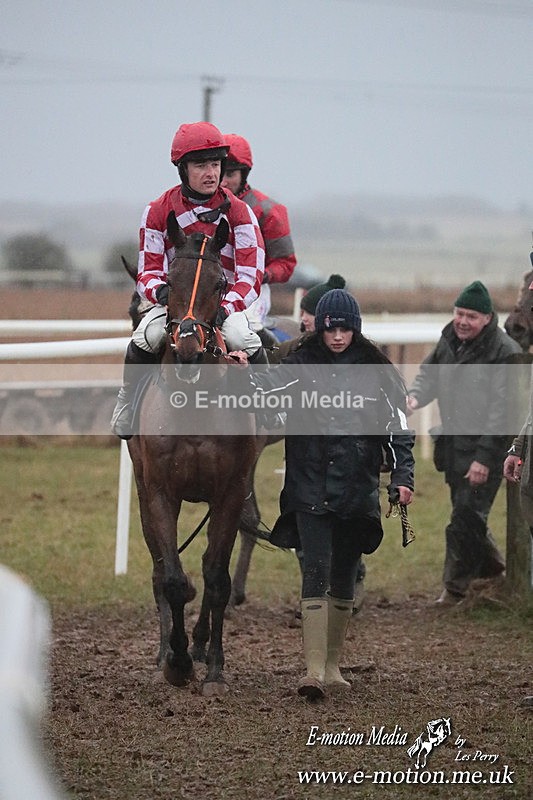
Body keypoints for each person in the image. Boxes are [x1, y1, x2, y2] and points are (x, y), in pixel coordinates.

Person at [232, 288, 415, 699]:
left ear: (355, 329)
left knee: (345, 576)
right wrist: (244, 371)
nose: (336, 337)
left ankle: (333, 666)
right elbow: (264, 390)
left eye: (345, 329)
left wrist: (403, 476)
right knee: (314, 569)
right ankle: (312, 670)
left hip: (357, 487)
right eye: (331, 329)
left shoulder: (378, 370)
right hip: (309, 486)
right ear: (320, 328)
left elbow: (399, 428)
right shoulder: (298, 363)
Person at [111, 121, 266, 439]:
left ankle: (269, 404)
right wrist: (167, 296)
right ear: (183, 169)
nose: (211, 173)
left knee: (244, 339)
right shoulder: (156, 210)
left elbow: (251, 276)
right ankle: (127, 405)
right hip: (176, 305)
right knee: (147, 336)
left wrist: (224, 309)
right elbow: (148, 272)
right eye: (200, 165)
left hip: (222, 302)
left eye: (215, 164)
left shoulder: (240, 213)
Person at [407, 280, 522, 606]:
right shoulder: (449, 340)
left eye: (471, 316)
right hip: (453, 447)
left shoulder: (503, 352)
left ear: (487, 318)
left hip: (485, 450)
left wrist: (484, 459)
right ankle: (495, 568)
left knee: (464, 516)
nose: (462, 321)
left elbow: (502, 412)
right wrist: (415, 396)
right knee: (469, 514)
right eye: (459, 313)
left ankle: (454, 589)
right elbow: (429, 375)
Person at [221, 133, 296, 332]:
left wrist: (261, 274)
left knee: (244, 333)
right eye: (220, 172)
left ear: (244, 174)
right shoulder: (200, 209)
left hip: (252, 292)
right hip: (210, 287)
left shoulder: (270, 211)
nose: (224, 181)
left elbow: (286, 264)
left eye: (230, 174)